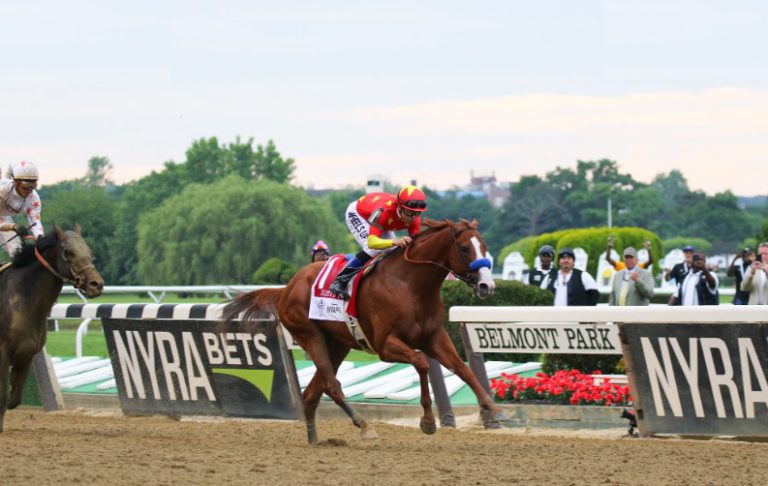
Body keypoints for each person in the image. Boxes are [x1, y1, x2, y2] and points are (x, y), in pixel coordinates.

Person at [328, 184, 427, 298]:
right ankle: (340, 280)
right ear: (400, 207)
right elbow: (372, 242)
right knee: (373, 249)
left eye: (417, 213)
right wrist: (395, 241)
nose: (413, 218)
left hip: (382, 221)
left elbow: (415, 244)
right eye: (410, 213)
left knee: (393, 250)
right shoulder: (384, 211)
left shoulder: (414, 216)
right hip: (359, 214)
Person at [0, 160, 43, 258]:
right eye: (26, 187)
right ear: (15, 182)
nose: (29, 191)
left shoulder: (33, 198)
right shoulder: (2, 191)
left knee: (17, 251)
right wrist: (13, 227)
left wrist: (40, 238)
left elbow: (35, 224)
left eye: (33, 187)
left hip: (3, 217)